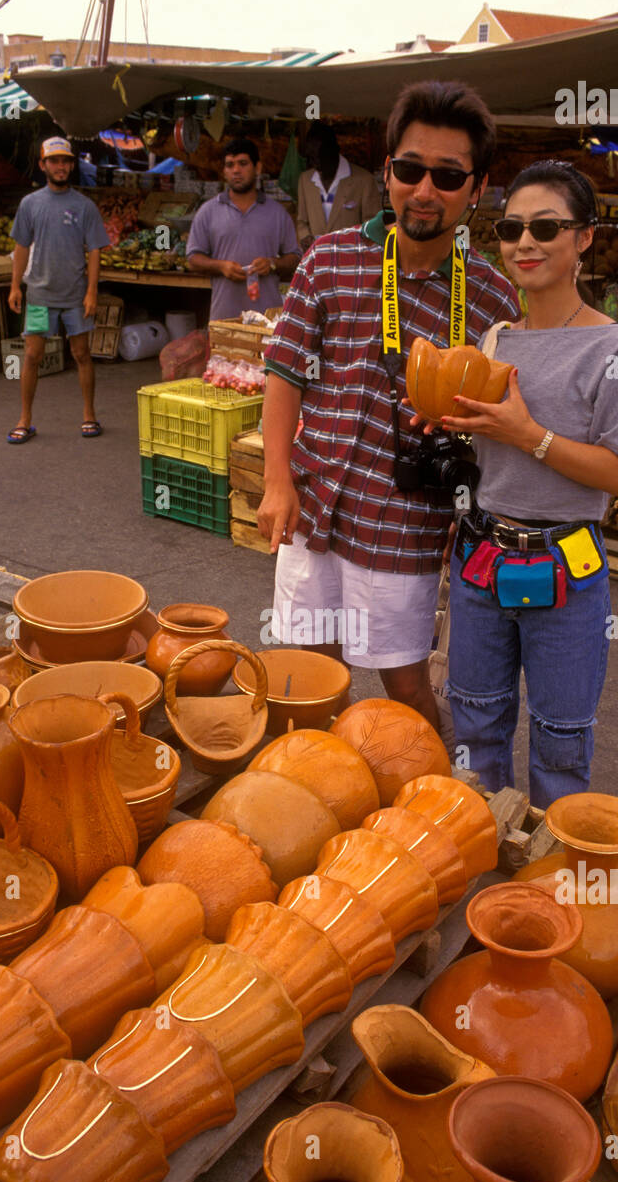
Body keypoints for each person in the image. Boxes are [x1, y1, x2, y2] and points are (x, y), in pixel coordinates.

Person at [257, 81, 519, 729]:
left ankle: (432, 799)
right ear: (388, 172)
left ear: (477, 188)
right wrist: (274, 481)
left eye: (448, 176)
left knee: (404, 686)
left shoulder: (491, 299)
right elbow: (284, 373)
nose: (424, 191)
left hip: (406, 520)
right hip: (314, 504)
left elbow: (503, 427)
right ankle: (319, 794)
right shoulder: (330, 260)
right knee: (310, 675)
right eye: (410, 170)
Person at [439, 160, 618, 805]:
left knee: (561, 739)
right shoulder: (496, 338)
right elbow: (491, 448)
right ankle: (483, 854)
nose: (524, 243)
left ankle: (551, 883)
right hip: (479, 558)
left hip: (567, 564)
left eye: (545, 227)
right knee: (475, 727)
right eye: (510, 228)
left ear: (583, 237)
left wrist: (525, 433)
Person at [6, 136, 111, 445]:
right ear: (43, 165)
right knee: (32, 355)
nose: (61, 166)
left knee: (81, 353)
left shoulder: (84, 206)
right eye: (54, 161)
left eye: (66, 161)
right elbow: (21, 246)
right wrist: (15, 286)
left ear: (72, 165)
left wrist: (92, 291)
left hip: (75, 297)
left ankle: (89, 414)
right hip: (39, 295)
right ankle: (25, 419)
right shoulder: (30, 204)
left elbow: (94, 251)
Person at [186, 137, 301, 321]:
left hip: (267, 320)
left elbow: (295, 258)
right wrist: (221, 266)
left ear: (258, 168)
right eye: (230, 165)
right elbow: (193, 259)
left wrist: (272, 264)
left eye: (243, 163)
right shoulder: (208, 211)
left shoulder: (278, 213)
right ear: (224, 171)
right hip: (224, 318)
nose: (236, 170)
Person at [295, 122, 380, 251]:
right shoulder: (305, 180)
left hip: (351, 261)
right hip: (317, 259)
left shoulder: (364, 180)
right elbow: (301, 221)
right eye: (311, 159)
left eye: (320, 158)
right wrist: (305, 237)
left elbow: (373, 226)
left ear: (334, 151)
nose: (316, 165)